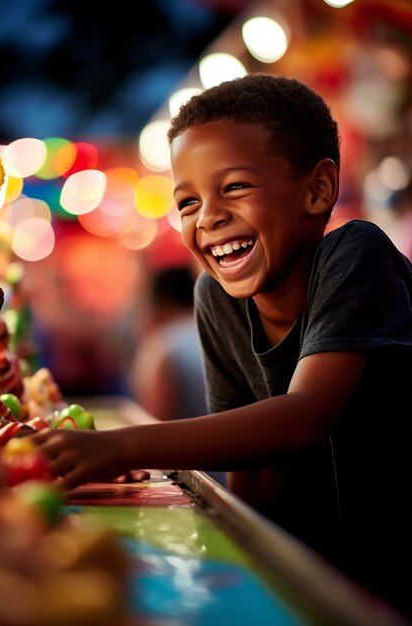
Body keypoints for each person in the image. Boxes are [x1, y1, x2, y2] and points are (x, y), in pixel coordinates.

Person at [30, 73, 412, 619]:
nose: (207, 216)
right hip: (309, 576)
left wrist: (123, 447)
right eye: (187, 202)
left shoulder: (357, 254)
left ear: (318, 190)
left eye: (233, 187)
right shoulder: (216, 296)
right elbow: (249, 467)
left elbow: (306, 415)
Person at [128, 264, 226, 485]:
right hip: (234, 471)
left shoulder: (161, 344)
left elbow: (153, 422)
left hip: (192, 475)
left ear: (163, 301)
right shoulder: (219, 334)